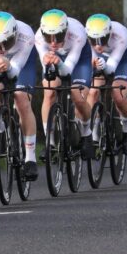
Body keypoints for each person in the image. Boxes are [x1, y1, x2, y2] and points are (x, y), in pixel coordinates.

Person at [0, 12, 39, 180]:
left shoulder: (26, 34)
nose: (1, 49)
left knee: (21, 99)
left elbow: (15, 70)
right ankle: (0, 129)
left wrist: (8, 66)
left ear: (14, 34)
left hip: (21, 62)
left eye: (6, 43)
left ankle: (30, 158)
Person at [35, 9, 95, 160]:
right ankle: (50, 142)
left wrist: (59, 63)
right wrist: (49, 64)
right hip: (56, 59)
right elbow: (47, 68)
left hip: (79, 59)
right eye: (49, 37)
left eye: (58, 36)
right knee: (49, 93)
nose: (53, 42)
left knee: (79, 98)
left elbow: (68, 69)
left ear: (66, 31)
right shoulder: (38, 37)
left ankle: (87, 134)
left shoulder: (78, 34)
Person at [83, 13, 127, 154]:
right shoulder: (84, 37)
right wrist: (94, 63)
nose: (98, 45)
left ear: (109, 33)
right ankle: (94, 136)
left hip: (123, 60)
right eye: (94, 40)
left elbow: (111, 67)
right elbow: (91, 56)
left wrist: (101, 65)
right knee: (93, 92)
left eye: (103, 39)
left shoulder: (121, 35)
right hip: (100, 60)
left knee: (118, 96)